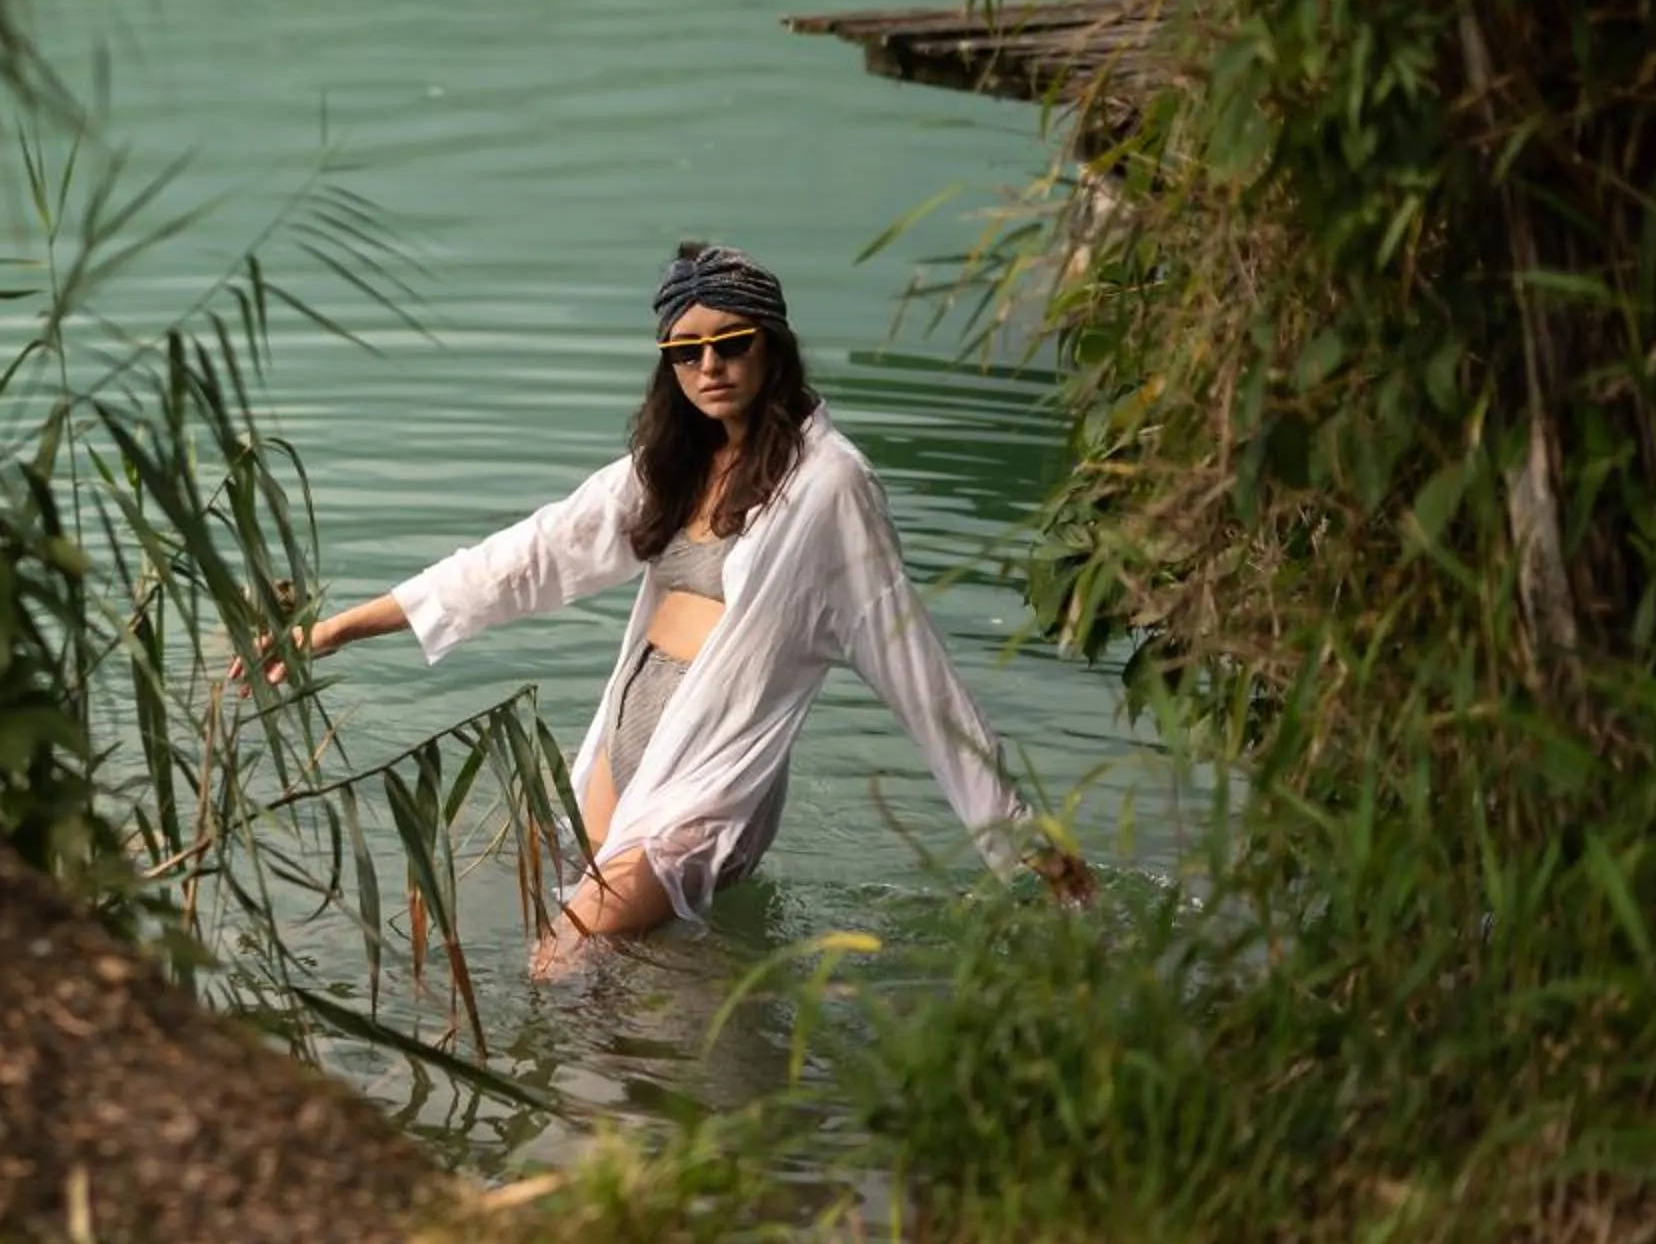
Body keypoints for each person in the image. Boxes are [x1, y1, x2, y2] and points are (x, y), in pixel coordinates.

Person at [255, 241, 1097, 978]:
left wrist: (1019, 829)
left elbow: (915, 667)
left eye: (731, 344)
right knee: (618, 969)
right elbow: (529, 557)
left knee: (564, 955)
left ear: (772, 348)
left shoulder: (831, 485)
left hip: (711, 773)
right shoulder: (674, 463)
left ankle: (582, 1103)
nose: (709, 367)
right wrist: (336, 629)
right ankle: (668, 1081)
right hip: (626, 745)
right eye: (685, 352)